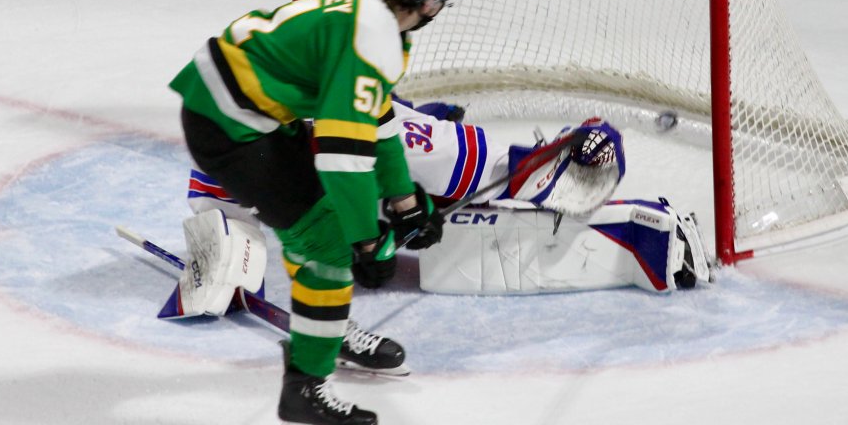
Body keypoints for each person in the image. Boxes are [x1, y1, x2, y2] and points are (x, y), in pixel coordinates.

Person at [169, 0, 461, 425]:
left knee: (323, 234)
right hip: (230, 128)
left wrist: (406, 202)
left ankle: (322, 326)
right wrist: (367, 240)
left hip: (243, 112)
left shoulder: (375, 16)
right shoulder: (375, 36)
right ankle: (303, 397)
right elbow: (342, 158)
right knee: (327, 243)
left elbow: (379, 122)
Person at [185, 97, 711, 300]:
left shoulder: (423, 149)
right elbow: (214, 205)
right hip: (340, 167)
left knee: (456, 190)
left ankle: (653, 237)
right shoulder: (232, 163)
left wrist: (594, 145)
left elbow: (529, 172)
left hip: (396, 151)